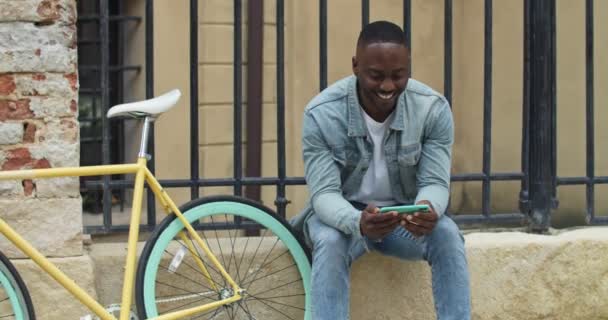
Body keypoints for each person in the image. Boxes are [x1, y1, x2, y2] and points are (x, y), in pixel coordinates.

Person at [291, 21, 471, 319]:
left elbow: (436, 182)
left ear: (408, 68)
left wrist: (428, 208)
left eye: (398, 76)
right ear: (355, 66)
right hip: (344, 218)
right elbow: (324, 195)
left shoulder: (432, 109)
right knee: (331, 241)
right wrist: (356, 221)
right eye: (376, 76)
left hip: (403, 217)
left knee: (447, 234)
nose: (388, 87)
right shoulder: (321, 114)